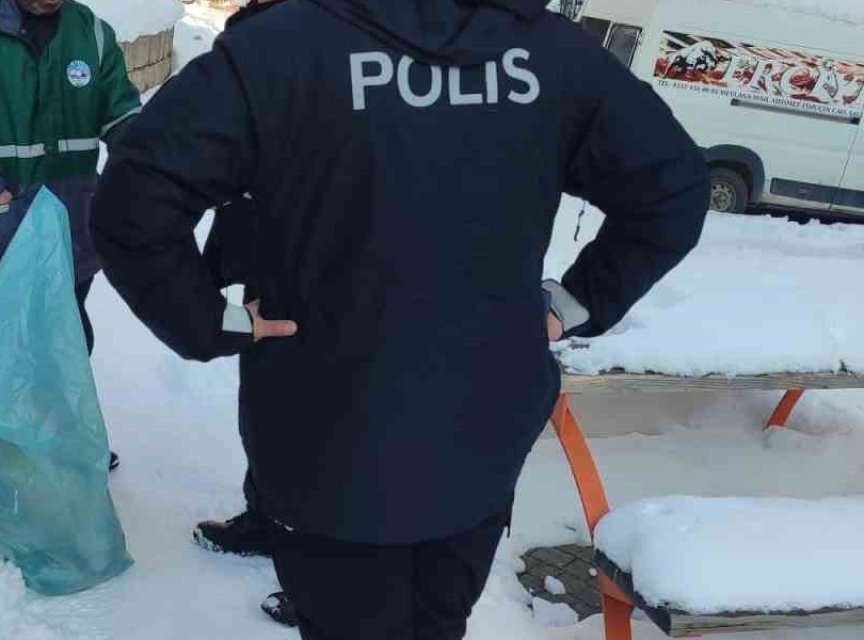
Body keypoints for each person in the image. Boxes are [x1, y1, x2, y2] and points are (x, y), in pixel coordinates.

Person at [92, 0, 708, 638]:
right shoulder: (555, 56)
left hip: (331, 441)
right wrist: (573, 303)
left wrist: (205, 322)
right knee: (435, 624)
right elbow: (675, 188)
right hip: (475, 435)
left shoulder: (278, 48)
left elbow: (132, 205)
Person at [0, 0, 141, 470]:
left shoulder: (90, 32)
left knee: (66, 343)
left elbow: (124, 119)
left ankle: (62, 442)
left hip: (70, 233)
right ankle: (1, 461)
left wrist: (158, 170)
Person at [193, 0, 297, 626]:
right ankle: (266, 520)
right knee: (265, 408)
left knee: (323, 428)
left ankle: (321, 573)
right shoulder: (257, 32)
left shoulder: (348, 58)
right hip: (268, 262)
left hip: (333, 277)